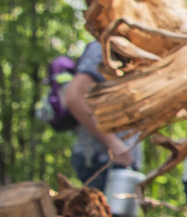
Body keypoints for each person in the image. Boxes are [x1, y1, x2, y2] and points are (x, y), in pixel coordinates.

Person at [59, 40, 142, 191]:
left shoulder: (134, 50)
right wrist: (113, 143)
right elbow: (73, 97)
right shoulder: (103, 47)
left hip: (121, 161)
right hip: (101, 160)